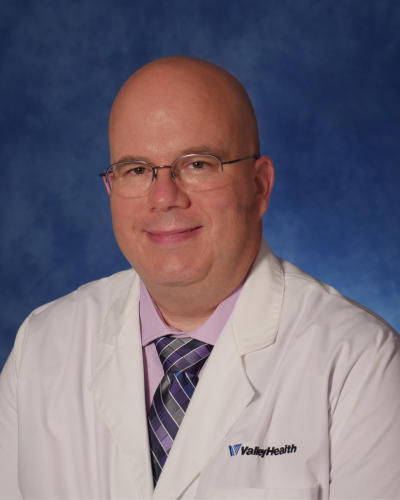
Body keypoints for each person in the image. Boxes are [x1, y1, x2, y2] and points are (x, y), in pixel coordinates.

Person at [0, 56, 399, 500]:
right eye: (136, 170)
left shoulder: (361, 363)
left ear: (259, 186)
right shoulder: (41, 347)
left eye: (198, 164)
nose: (164, 197)